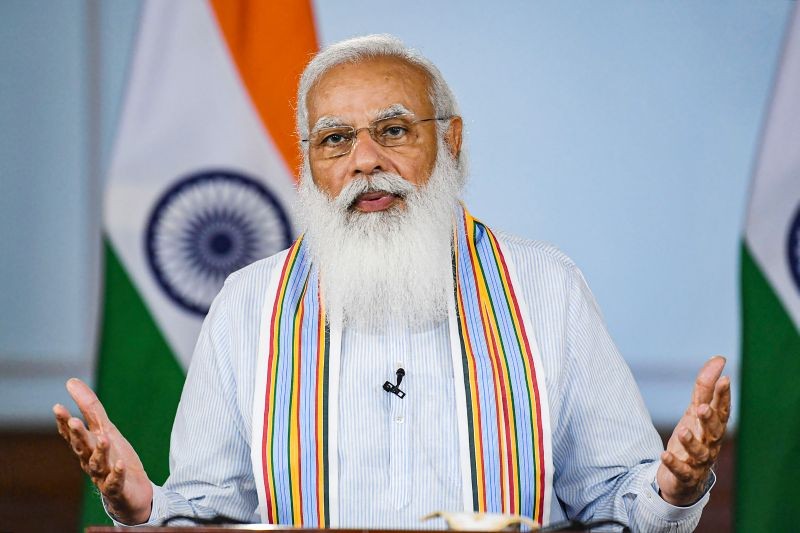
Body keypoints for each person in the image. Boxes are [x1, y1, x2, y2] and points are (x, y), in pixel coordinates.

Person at [53, 35, 730, 531]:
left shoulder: (544, 287)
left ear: (452, 140)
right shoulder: (248, 304)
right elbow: (205, 516)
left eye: (394, 130)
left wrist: (675, 486)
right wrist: (143, 508)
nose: (365, 161)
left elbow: (623, 502)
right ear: (309, 161)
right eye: (334, 140)